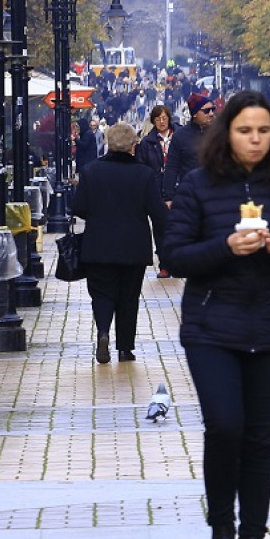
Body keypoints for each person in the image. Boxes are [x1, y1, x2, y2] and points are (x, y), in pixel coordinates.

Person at [163, 90, 270, 539]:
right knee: (225, 427)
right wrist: (227, 246)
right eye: (244, 130)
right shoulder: (197, 185)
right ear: (225, 134)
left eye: (263, 131)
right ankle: (221, 535)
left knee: (259, 439)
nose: (254, 139)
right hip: (212, 327)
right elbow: (176, 255)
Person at [74, 122, 167, 364]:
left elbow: (79, 208)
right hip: (133, 246)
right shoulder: (145, 174)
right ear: (133, 147)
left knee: (102, 294)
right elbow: (157, 212)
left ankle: (103, 331)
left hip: (98, 244)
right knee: (128, 297)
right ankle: (125, 348)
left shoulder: (91, 171)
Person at [169, 92, 213, 192]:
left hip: (215, 194)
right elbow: (172, 167)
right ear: (195, 114)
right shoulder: (180, 135)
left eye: (212, 109)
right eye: (206, 111)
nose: (211, 113)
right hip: (189, 193)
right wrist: (168, 196)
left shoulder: (219, 132)